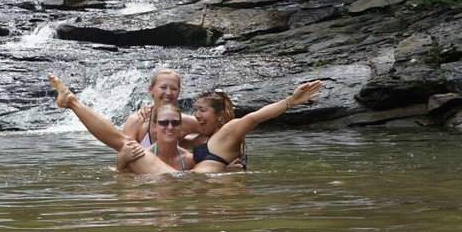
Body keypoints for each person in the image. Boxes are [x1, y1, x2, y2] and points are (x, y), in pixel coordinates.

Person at [118, 80, 324, 175]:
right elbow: (170, 140)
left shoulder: (230, 131)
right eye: (195, 110)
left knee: (134, 153)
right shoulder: (200, 140)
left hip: (205, 191)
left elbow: (256, 117)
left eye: (202, 110)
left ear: (219, 115)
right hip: (193, 189)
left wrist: (290, 101)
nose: (196, 115)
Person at [49, 74, 192, 172]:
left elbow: (205, 128)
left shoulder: (187, 129)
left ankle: (72, 102)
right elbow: (123, 158)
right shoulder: (138, 121)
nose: (170, 127)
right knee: (128, 145)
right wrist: (120, 161)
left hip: (169, 174)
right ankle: (72, 102)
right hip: (148, 176)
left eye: (175, 123)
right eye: (163, 123)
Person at [120, 68, 198, 145]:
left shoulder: (184, 121)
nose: (168, 93)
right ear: (151, 89)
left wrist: (187, 144)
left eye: (173, 89)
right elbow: (125, 152)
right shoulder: (136, 121)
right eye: (163, 87)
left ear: (179, 92)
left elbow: (206, 129)